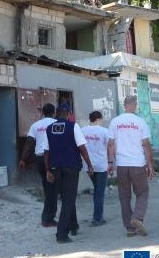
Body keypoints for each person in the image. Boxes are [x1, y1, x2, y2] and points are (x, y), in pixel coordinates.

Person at [43, 103, 94, 243]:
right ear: (69, 113)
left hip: (55, 168)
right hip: (70, 168)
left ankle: (73, 225)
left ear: (57, 113)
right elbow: (82, 148)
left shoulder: (49, 128)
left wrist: (47, 169)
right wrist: (89, 165)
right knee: (69, 200)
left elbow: (46, 152)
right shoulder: (73, 126)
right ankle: (61, 234)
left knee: (66, 198)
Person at [107, 95, 154, 237]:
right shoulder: (140, 122)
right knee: (142, 192)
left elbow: (110, 144)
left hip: (122, 164)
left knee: (124, 196)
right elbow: (146, 145)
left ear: (124, 105)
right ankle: (137, 218)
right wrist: (150, 164)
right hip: (137, 163)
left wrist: (110, 162)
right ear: (135, 105)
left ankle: (129, 228)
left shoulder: (115, 122)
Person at [19, 103, 58, 227]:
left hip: (39, 159)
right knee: (52, 189)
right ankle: (47, 219)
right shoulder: (56, 124)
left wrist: (23, 159)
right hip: (51, 158)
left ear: (42, 113)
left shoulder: (35, 125)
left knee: (48, 187)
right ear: (54, 112)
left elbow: (29, 143)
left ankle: (48, 216)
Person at [81, 110, 110, 226]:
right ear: (99, 119)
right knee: (99, 191)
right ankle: (97, 218)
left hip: (88, 165)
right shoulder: (104, 131)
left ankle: (97, 216)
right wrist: (111, 162)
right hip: (101, 165)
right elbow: (110, 147)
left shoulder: (82, 131)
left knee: (97, 189)